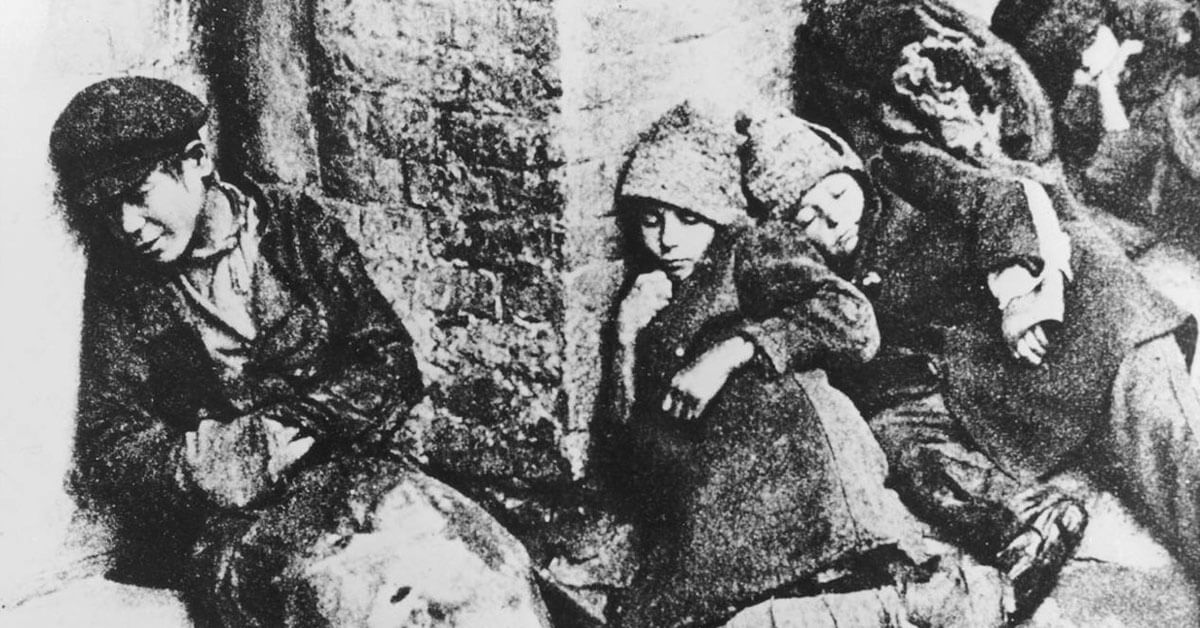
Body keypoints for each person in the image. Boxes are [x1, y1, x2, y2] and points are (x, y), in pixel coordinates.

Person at [48, 76, 550, 627]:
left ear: (196, 162)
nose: (126, 224)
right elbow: (109, 440)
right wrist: (211, 461)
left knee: (490, 568)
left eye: (138, 195)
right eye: (107, 208)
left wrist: (295, 423)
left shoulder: (290, 225)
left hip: (355, 472)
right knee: (355, 603)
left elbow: (388, 361)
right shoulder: (123, 280)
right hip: (242, 522)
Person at [798, 0, 1200, 610]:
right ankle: (1032, 516)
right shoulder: (867, 114)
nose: (827, 217)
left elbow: (1009, 189)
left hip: (1087, 306)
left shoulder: (919, 151)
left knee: (1167, 443)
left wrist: (1021, 289)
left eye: (830, 198)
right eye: (808, 213)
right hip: (1009, 356)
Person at [594, 102, 1008, 628]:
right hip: (720, 506)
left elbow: (853, 320)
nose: (668, 239)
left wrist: (732, 351)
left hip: (806, 482)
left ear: (717, 213)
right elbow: (624, 460)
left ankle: (942, 600)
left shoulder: (750, 251)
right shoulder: (650, 299)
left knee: (837, 586)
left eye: (688, 218)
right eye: (651, 221)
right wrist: (625, 337)